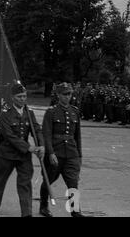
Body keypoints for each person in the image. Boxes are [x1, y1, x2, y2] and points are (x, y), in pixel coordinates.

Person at [0, 83, 44, 217]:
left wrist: (41, 145)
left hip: (23, 156)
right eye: (19, 96)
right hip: (7, 154)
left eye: (24, 96)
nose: (22, 99)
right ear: (12, 98)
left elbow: (36, 130)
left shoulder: (29, 113)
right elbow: (9, 136)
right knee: (0, 180)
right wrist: (29, 147)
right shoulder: (5, 115)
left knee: (25, 183)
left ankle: (26, 212)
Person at [39, 82, 84, 217]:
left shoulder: (74, 111)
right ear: (58, 95)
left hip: (71, 153)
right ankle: (43, 207)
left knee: (73, 183)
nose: (67, 97)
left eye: (69, 94)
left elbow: (77, 136)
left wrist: (79, 155)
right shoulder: (51, 112)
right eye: (64, 94)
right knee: (48, 180)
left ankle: (75, 211)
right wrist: (50, 152)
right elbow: (46, 134)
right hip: (56, 153)